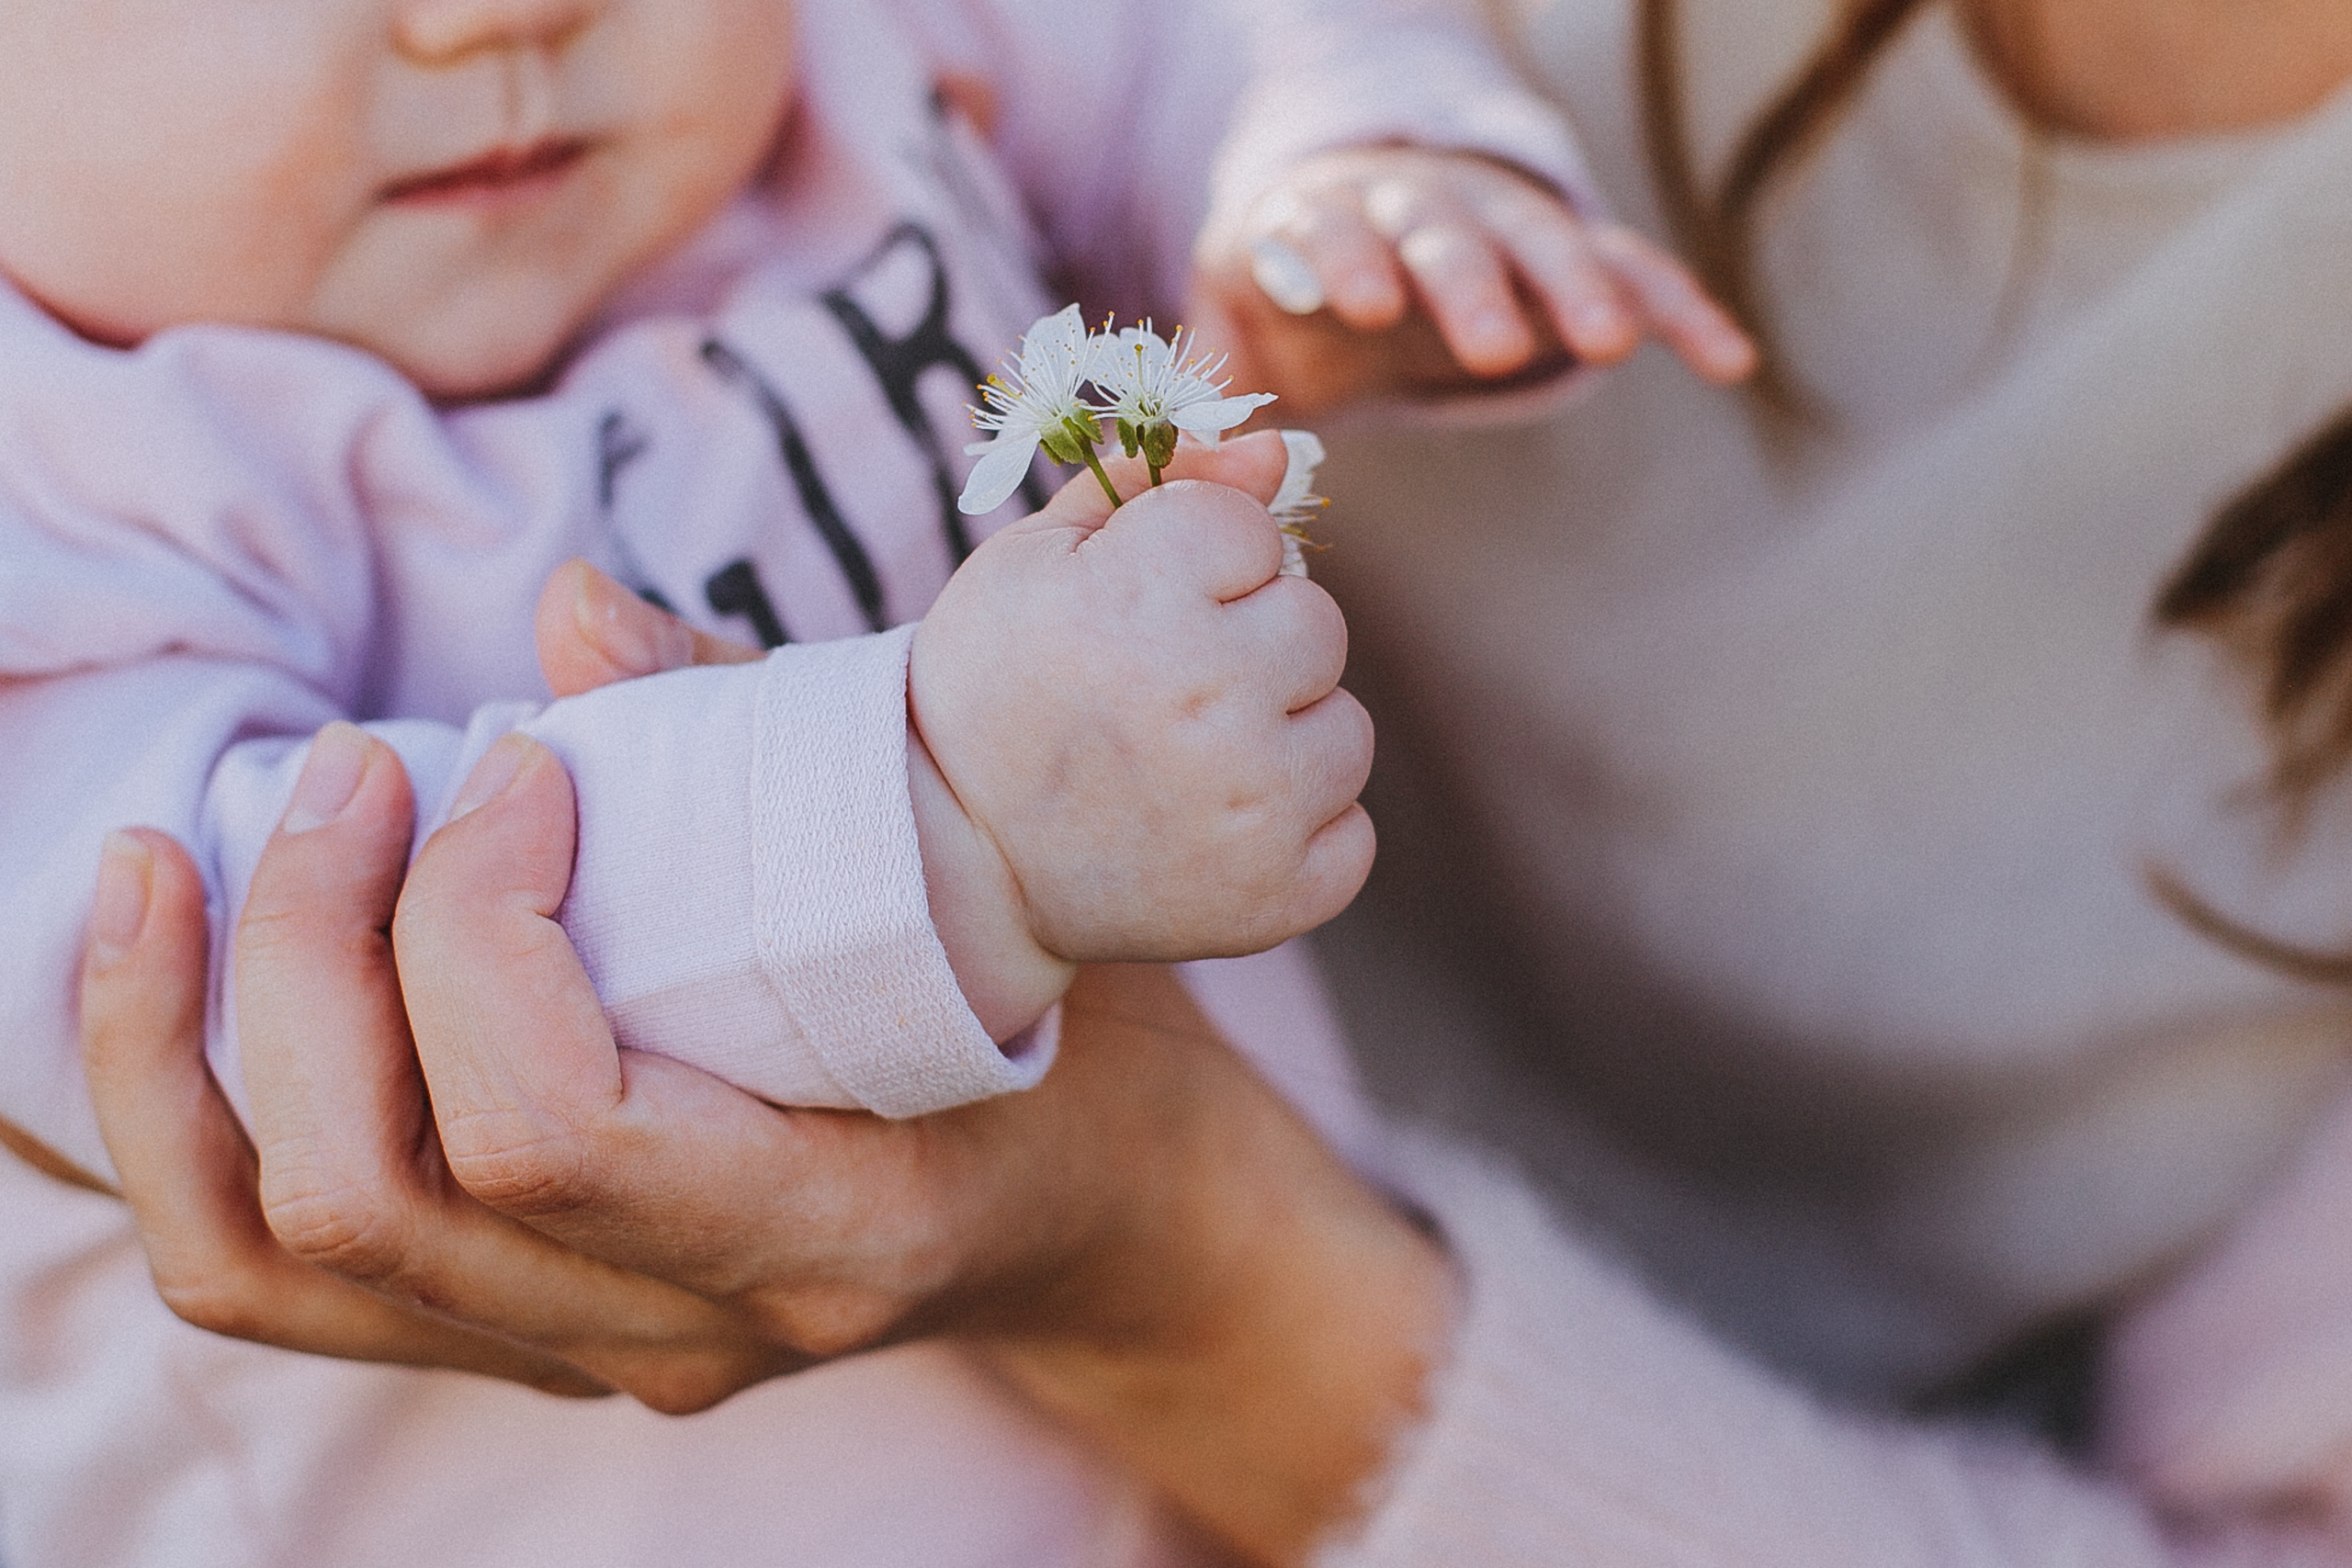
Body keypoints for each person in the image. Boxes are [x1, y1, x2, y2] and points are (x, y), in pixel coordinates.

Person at [69, 0, 2352, 1563]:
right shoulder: (72, 479)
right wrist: (938, 814)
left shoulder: (820, 79)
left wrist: (1345, 152)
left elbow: (1153, 40)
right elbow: (271, 967)